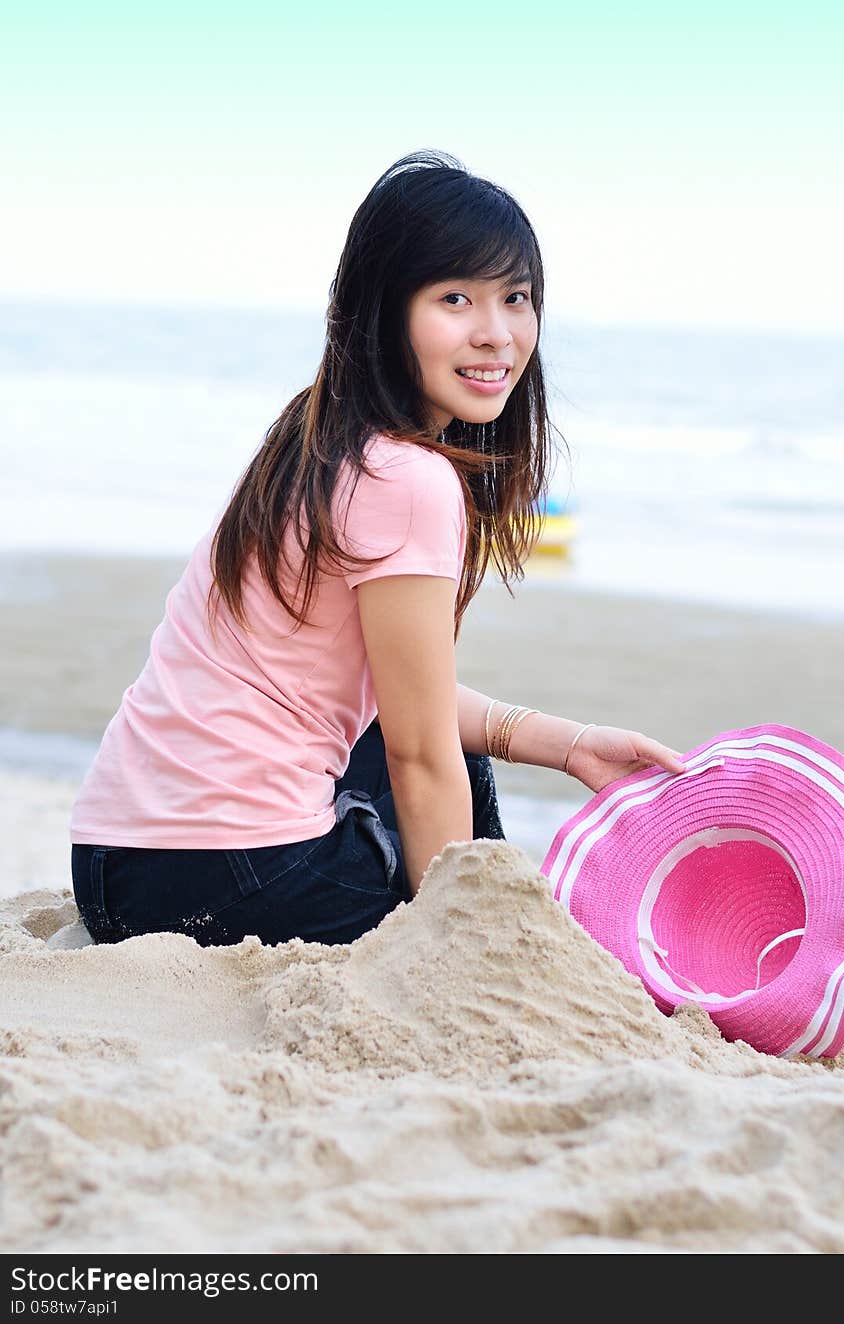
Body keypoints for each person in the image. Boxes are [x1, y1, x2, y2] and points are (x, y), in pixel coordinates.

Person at [69, 149, 686, 950]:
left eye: (517, 299)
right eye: (455, 298)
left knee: (455, 754)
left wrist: (571, 747)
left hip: (115, 866)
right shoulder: (409, 478)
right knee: (451, 792)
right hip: (225, 876)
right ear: (384, 309)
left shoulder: (315, 436)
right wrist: (451, 940)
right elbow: (419, 750)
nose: (496, 334)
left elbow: (391, 704)